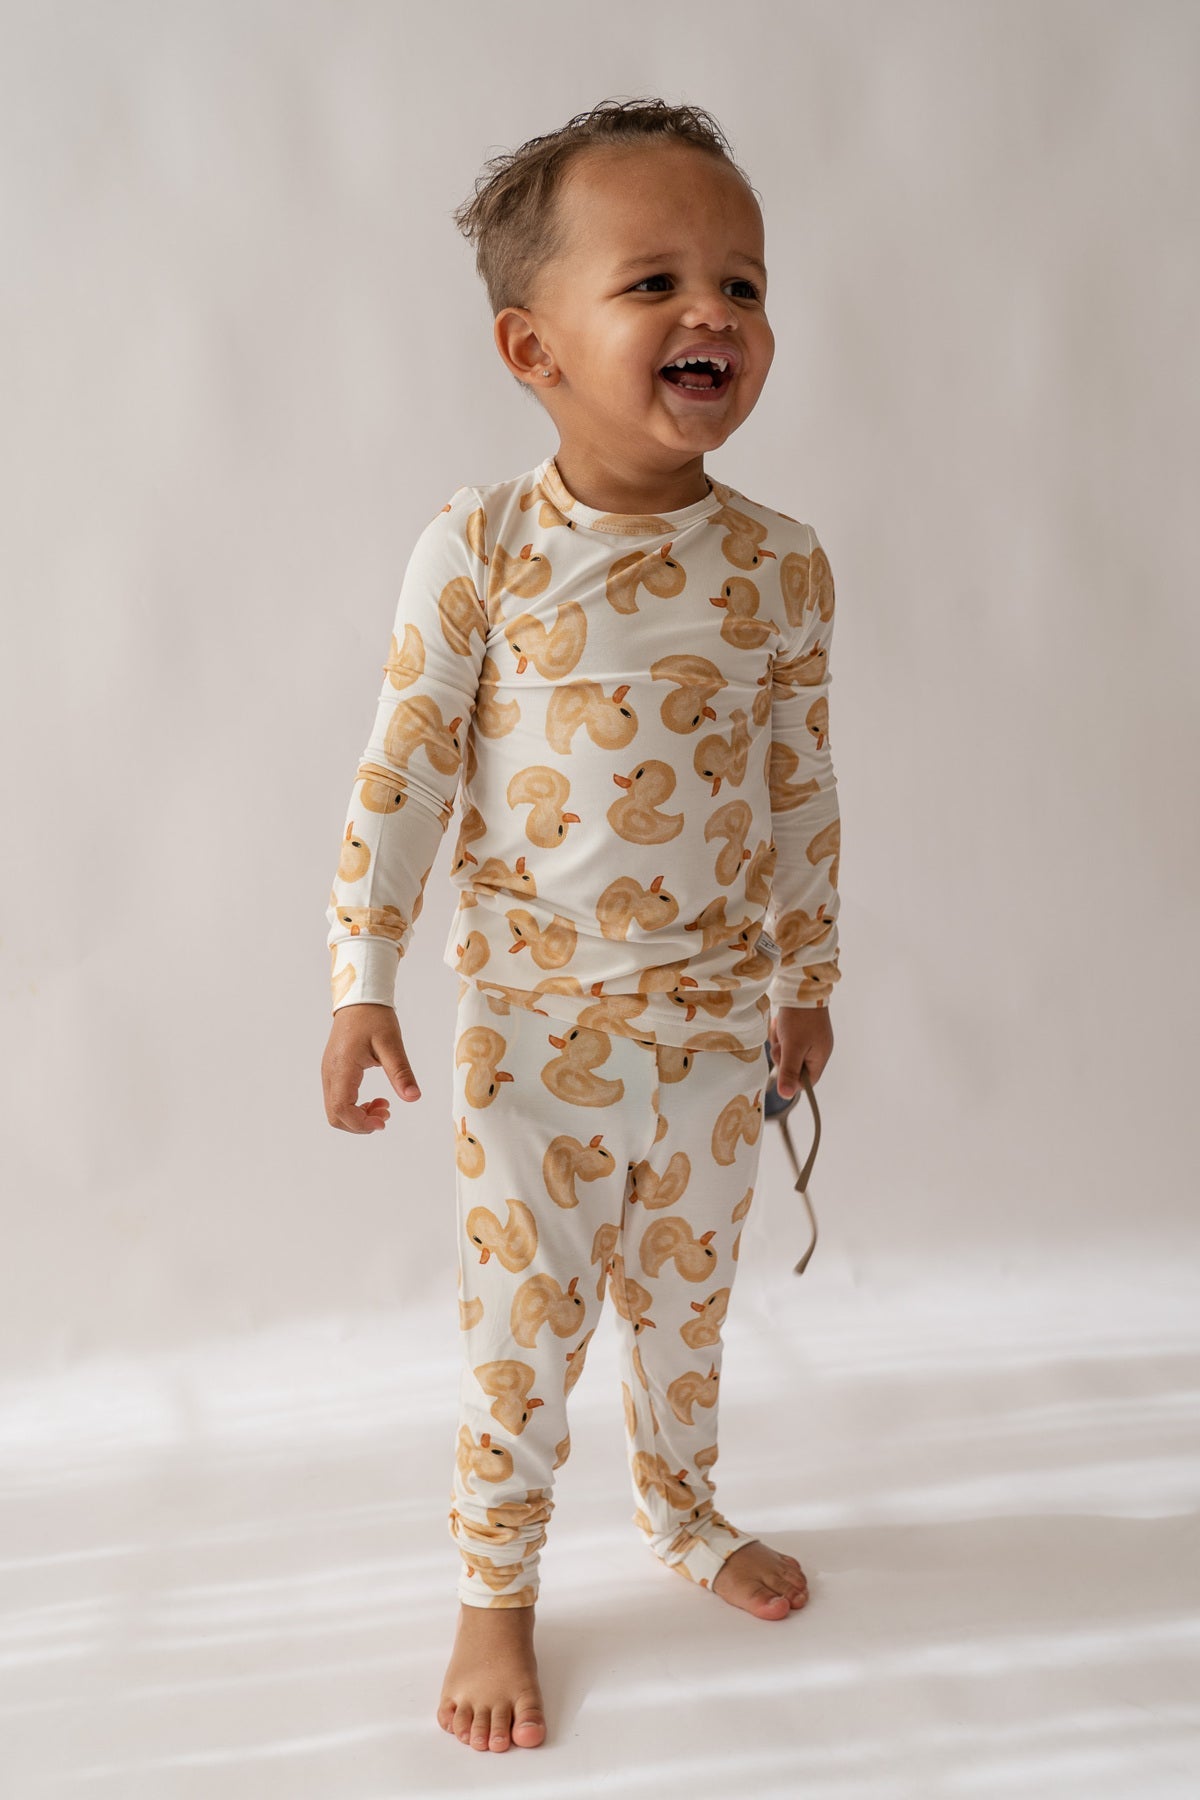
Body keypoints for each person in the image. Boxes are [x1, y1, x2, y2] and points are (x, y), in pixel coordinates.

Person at [320, 97, 842, 1755]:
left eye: (743, 284)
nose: (715, 312)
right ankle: (496, 1589)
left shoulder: (780, 567)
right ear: (530, 348)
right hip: (535, 1044)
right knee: (524, 1334)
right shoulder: (479, 551)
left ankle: (682, 1509)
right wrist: (361, 978)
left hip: (715, 1035)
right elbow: (404, 769)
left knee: (687, 1314)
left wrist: (807, 977)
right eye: (658, 282)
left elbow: (799, 786)